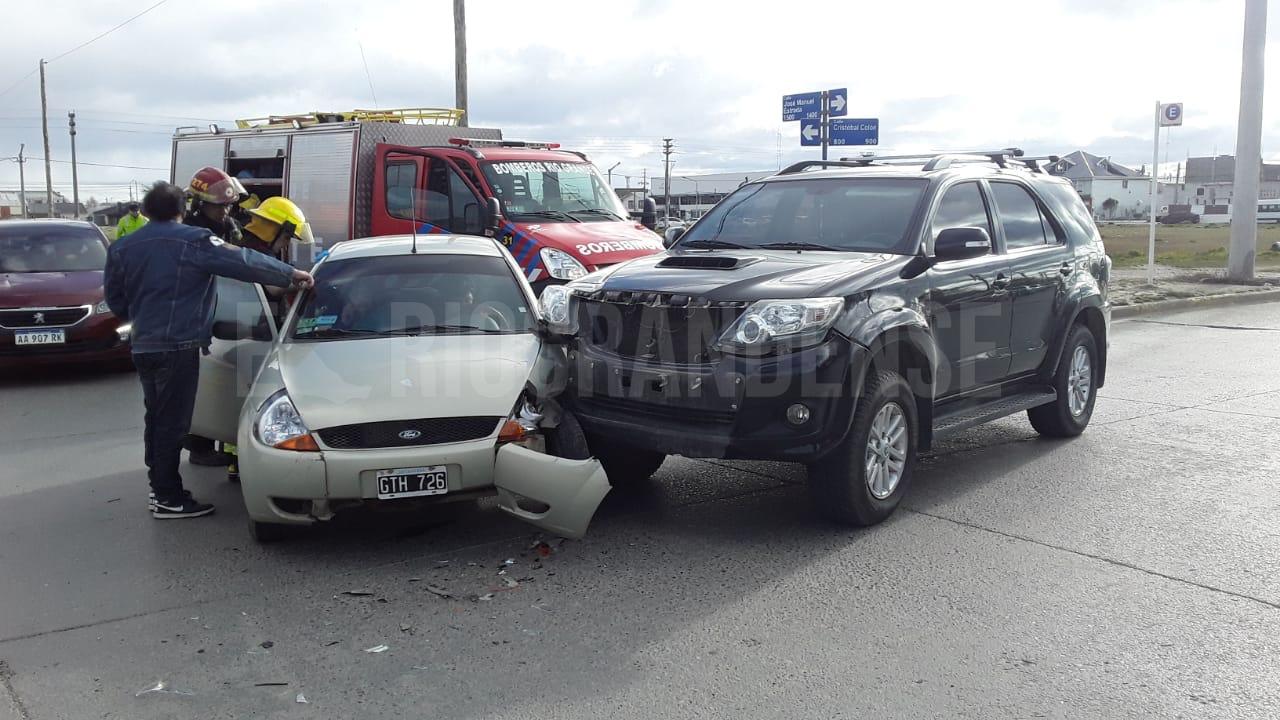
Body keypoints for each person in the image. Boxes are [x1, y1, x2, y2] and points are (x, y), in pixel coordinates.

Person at [104, 182, 314, 519]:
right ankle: (168, 498)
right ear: (181, 210)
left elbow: (115, 300)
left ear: (146, 210)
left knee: (156, 418)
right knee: (173, 423)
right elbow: (243, 261)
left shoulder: (123, 247)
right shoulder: (192, 241)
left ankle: (159, 488)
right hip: (178, 345)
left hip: (144, 345)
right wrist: (291, 273)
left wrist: (143, 320)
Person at [181, 167, 252, 467]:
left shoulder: (226, 225)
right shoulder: (192, 233)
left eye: (228, 205)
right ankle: (198, 445)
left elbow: (240, 252)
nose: (225, 211)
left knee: (216, 380)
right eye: (219, 205)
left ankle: (211, 441)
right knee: (200, 384)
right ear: (199, 204)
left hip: (219, 308)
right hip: (196, 317)